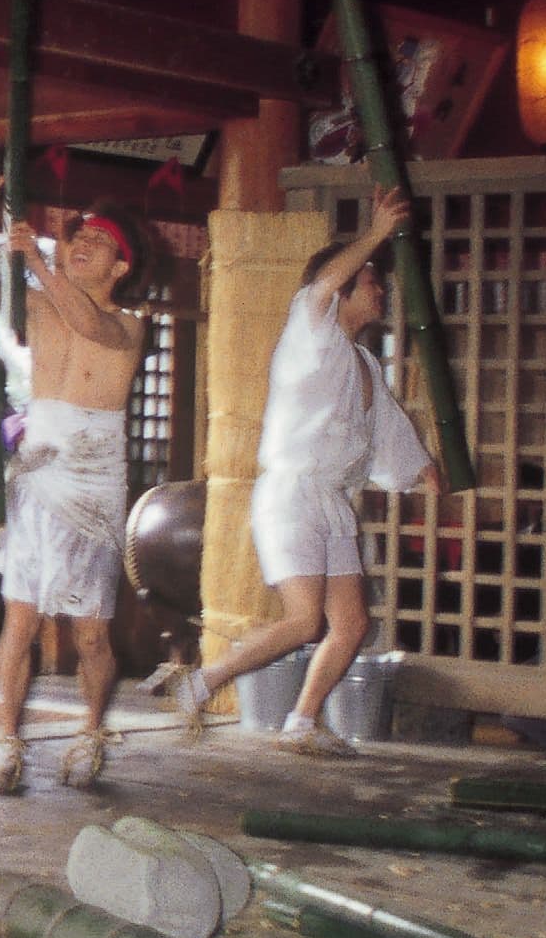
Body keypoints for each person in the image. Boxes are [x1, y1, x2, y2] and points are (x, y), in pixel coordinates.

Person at [159, 185, 443, 755]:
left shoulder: (364, 365)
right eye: (369, 279)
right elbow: (322, 284)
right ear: (341, 289)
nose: (379, 288)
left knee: (352, 625)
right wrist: (377, 232)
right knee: (303, 620)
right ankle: (201, 682)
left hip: (330, 501)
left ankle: (303, 721)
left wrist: (426, 477)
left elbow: (393, 444)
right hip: (289, 493)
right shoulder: (308, 334)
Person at [0, 211, 145, 797]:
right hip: (42, 463)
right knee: (19, 618)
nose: (85, 244)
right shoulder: (38, 300)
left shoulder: (128, 323)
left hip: (95, 478)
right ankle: (6, 742)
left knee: (90, 633)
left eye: (102, 241)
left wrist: (35, 260)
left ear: (119, 267)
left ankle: (92, 729)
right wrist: (2, 238)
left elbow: (89, 325)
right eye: (80, 236)